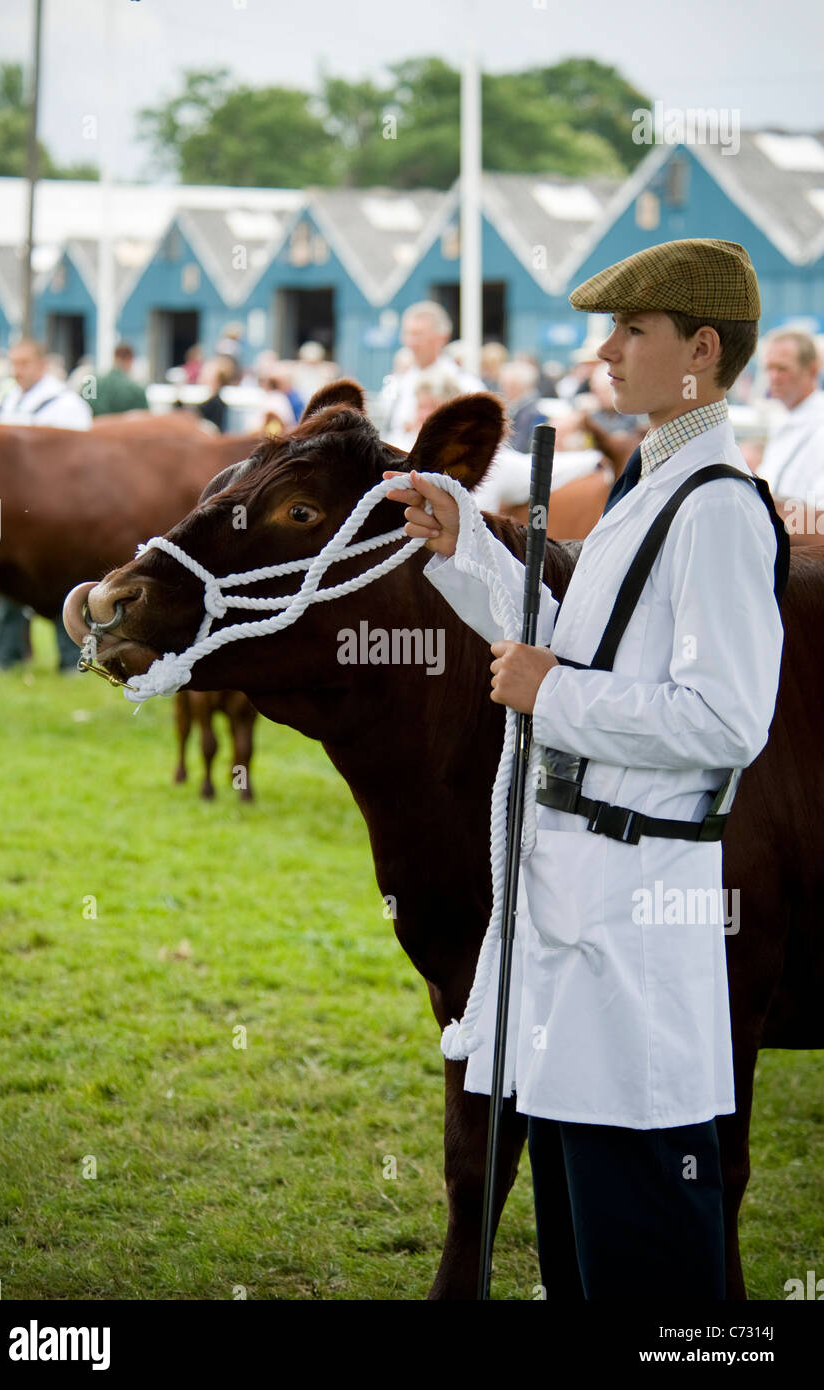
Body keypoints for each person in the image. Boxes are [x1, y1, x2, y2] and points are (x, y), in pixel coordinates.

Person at [383, 238, 786, 1301]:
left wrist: (549, 692)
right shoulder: (650, 484)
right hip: (574, 911)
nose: (604, 352)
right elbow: (572, 643)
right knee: (579, 1248)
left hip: (636, 915)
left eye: (631, 332)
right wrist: (465, 547)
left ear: (700, 350)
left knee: (645, 1254)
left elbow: (726, 718)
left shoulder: (715, 506)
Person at [0, 338, 92, 671]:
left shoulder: (66, 406)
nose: (16, 371)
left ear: (42, 364)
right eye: (13, 363)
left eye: (23, 363)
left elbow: (78, 461)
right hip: (14, 512)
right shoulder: (6, 400)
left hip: (55, 515)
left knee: (59, 582)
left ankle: (71, 659)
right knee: (10, 582)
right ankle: (8, 655)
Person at [378, 301, 484, 436]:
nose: (411, 341)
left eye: (418, 334)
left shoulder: (465, 384)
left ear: (442, 338)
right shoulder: (397, 382)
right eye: (407, 334)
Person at [757, 329, 824, 508]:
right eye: (769, 368)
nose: (773, 377)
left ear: (812, 370)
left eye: (782, 369)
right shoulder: (782, 420)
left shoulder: (819, 426)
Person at [89, 343, 148, 417]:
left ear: (114, 358)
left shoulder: (92, 385)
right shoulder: (136, 390)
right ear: (130, 360)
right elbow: (144, 420)